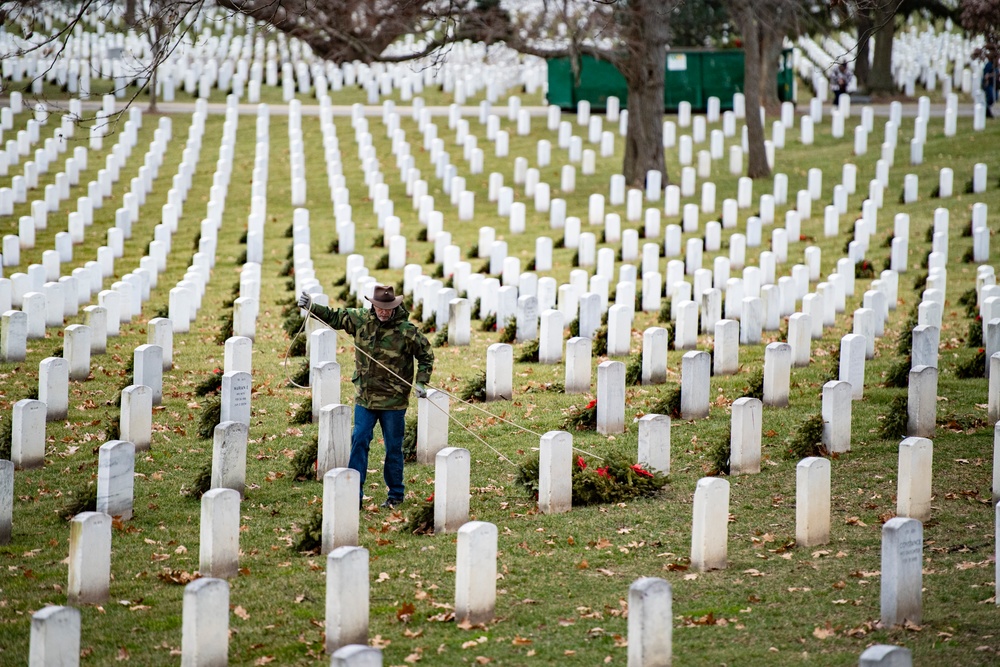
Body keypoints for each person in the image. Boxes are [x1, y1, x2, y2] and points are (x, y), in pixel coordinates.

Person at [298, 285, 434, 509]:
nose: (383, 312)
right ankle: (354, 494)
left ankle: (396, 495)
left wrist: (421, 381)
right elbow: (335, 317)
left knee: (393, 447)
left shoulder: (406, 331)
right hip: (366, 399)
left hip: (394, 402)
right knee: (359, 441)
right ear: (373, 305)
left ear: (395, 307)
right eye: (379, 307)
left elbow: (426, 355)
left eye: (387, 308)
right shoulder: (360, 320)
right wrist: (312, 307)